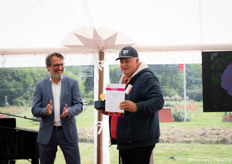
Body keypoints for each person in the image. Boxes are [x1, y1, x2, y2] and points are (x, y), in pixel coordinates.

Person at [109, 46, 164, 164]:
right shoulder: (124, 78)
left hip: (140, 140)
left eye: (127, 61)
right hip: (126, 139)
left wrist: (137, 107)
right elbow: (124, 103)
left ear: (137, 61)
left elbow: (158, 101)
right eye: (122, 62)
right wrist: (108, 109)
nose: (124, 65)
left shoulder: (147, 78)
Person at [32, 52, 83, 164]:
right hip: (47, 136)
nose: (59, 68)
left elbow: (79, 105)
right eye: (56, 65)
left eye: (61, 64)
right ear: (48, 67)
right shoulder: (40, 86)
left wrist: (69, 111)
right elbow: (35, 109)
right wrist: (45, 111)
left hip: (68, 134)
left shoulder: (73, 83)